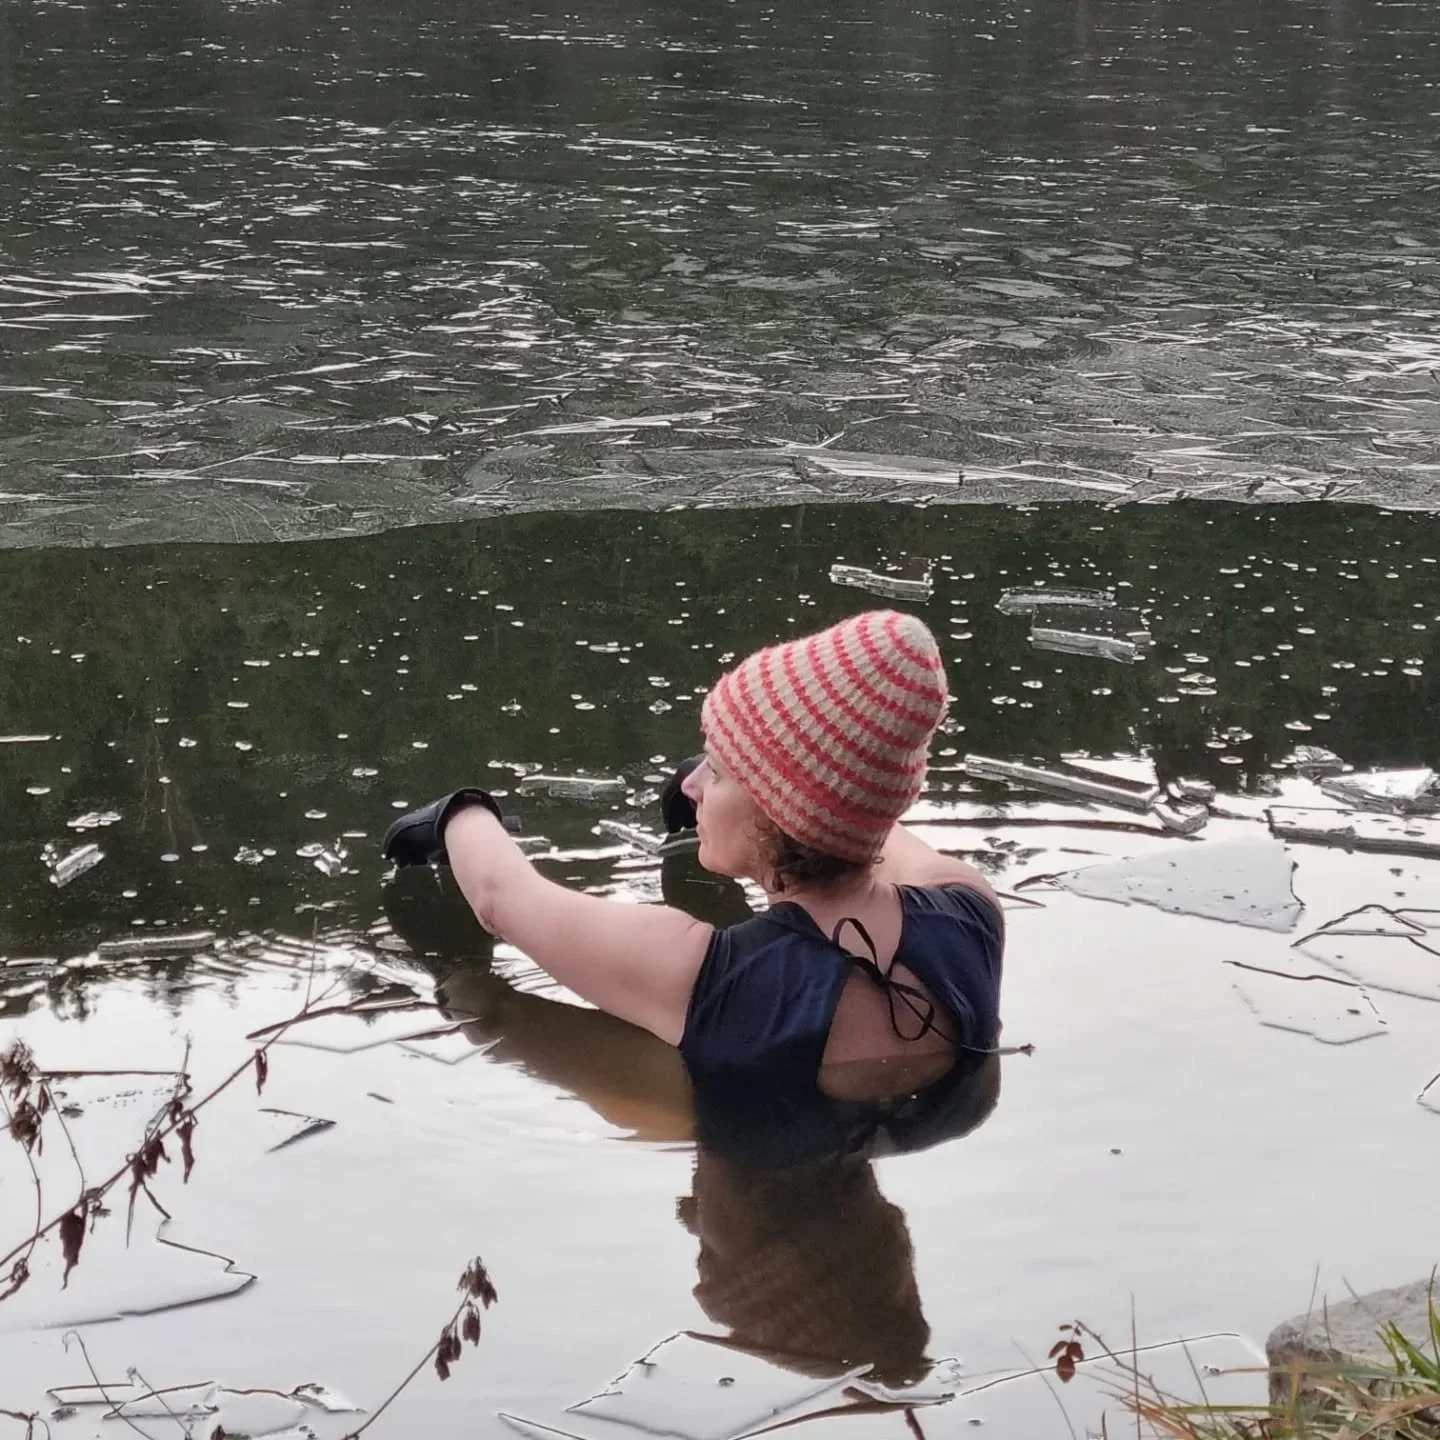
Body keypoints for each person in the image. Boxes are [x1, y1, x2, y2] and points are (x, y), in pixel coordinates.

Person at [383, 609, 1004, 1078]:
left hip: (757, 1230)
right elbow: (866, 816)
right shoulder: (970, 910)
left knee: (495, 1013)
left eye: (719, 770)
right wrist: (740, 787)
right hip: (877, 1191)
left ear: (776, 811)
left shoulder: (701, 974)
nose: (693, 784)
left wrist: (460, 814)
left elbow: (500, 897)